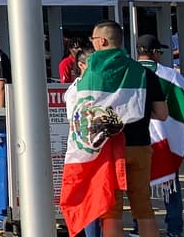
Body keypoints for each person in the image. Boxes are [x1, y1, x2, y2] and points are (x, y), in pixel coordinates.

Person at [61, 22, 166, 237]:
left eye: (93, 39)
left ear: (102, 41)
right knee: (143, 207)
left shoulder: (91, 75)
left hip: (108, 151)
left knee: (111, 211)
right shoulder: (144, 74)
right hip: (140, 148)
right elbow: (162, 113)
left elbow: (78, 109)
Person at [133, 35, 182, 237]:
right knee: (171, 187)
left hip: (136, 139)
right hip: (164, 139)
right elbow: (182, 108)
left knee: (137, 187)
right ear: (154, 53)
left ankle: (137, 228)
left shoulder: (128, 73)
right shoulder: (169, 75)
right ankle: (174, 229)